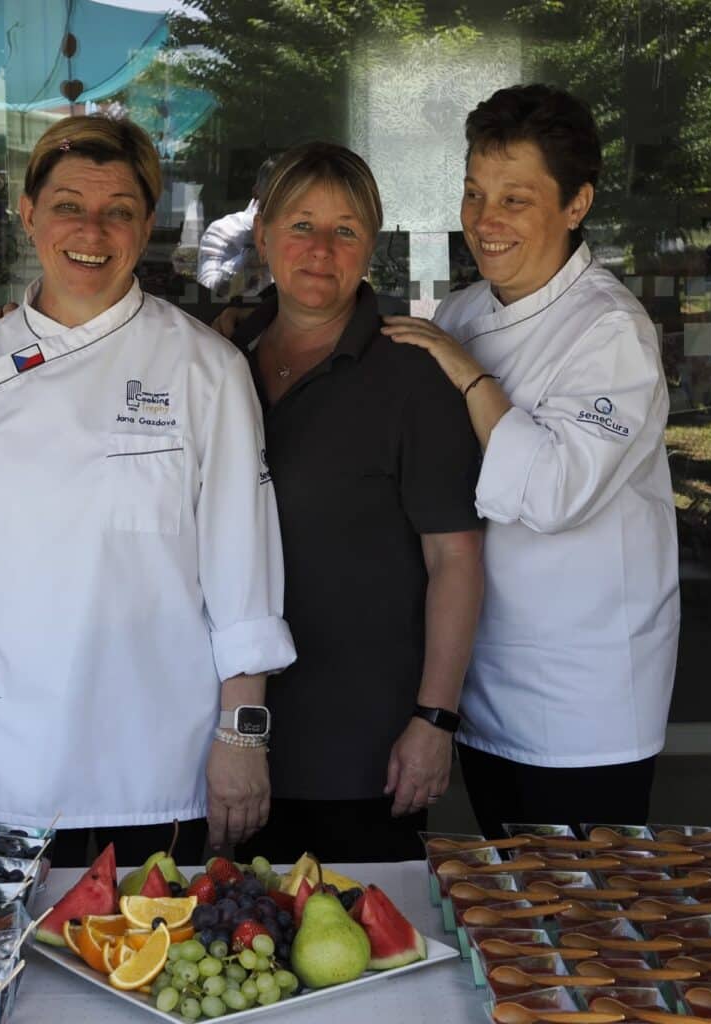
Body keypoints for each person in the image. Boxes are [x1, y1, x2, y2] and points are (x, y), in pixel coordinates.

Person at [0, 114, 296, 866]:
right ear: (29, 215)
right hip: (4, 774)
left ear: (147, 226)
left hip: (158, 769)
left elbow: (245, 581)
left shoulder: (206, 369)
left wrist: (242, 740)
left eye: (119, 211)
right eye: (68, 205)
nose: (92, 231)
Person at [382, 84, 680, 834]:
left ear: (576, 204)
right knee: (506, 893)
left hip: (583, 697)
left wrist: (469, 376)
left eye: (515, 200)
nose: (485, 221)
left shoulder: (610, 330)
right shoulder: (462, 313)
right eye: (474, 194)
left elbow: (551, 493)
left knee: (584, 902)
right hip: (484, 679)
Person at [231, 143, 484, 862]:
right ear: (263, 236)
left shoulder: (412, 373)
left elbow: (456, 559)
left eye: (345, 230)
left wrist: (434, 720)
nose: (320, 249)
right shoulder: (218, 358)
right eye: (300, 225)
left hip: (360, 752)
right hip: (221, 744)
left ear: (370, 246)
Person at [196, 157, 277, 299]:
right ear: (257, 192)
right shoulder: (224, 230)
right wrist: (248, 260)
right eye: (276, 193)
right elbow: (208, 295)